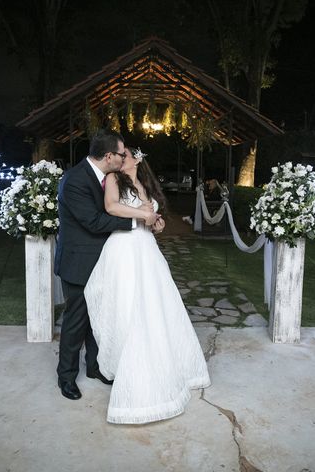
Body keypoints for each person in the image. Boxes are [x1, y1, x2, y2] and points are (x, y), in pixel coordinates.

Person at [84, 147, 211, 424]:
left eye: (126, 154)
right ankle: (127, 365)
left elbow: (151, 217)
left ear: (138, 159)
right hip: (124, 250)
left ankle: (163, 364)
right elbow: (111, 207)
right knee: (129, 305)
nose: (121, 158)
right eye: (120, 154)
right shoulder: (115, 180)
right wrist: (143, 215)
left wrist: (157, 223)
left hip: (146, 249)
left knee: (156, 307)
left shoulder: (144, 184)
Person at [54, 129, 160, 401]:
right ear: (109, 155)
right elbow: (93, 222)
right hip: (79, 262)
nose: (125, 157)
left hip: (107, 260)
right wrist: (137, 221)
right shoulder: (76, 180)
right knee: (76, 320)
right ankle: (66, 377)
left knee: (100, 315)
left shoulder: (107, 178)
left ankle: (95, 367)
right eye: (122, 153)